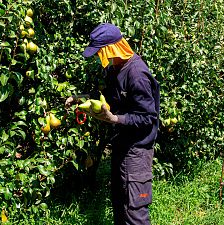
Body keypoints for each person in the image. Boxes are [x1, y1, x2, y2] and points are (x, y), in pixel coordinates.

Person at [66, 23, 160, 224]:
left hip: (137, 151)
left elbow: (148, 118)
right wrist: (78, 98)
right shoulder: (116, 70)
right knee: (120, 204)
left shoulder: (137, 74)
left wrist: (115, 119)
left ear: (111, 48)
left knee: (135, 212)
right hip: (122, 146)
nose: (101, 57)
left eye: (101, 52)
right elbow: (105, 98)